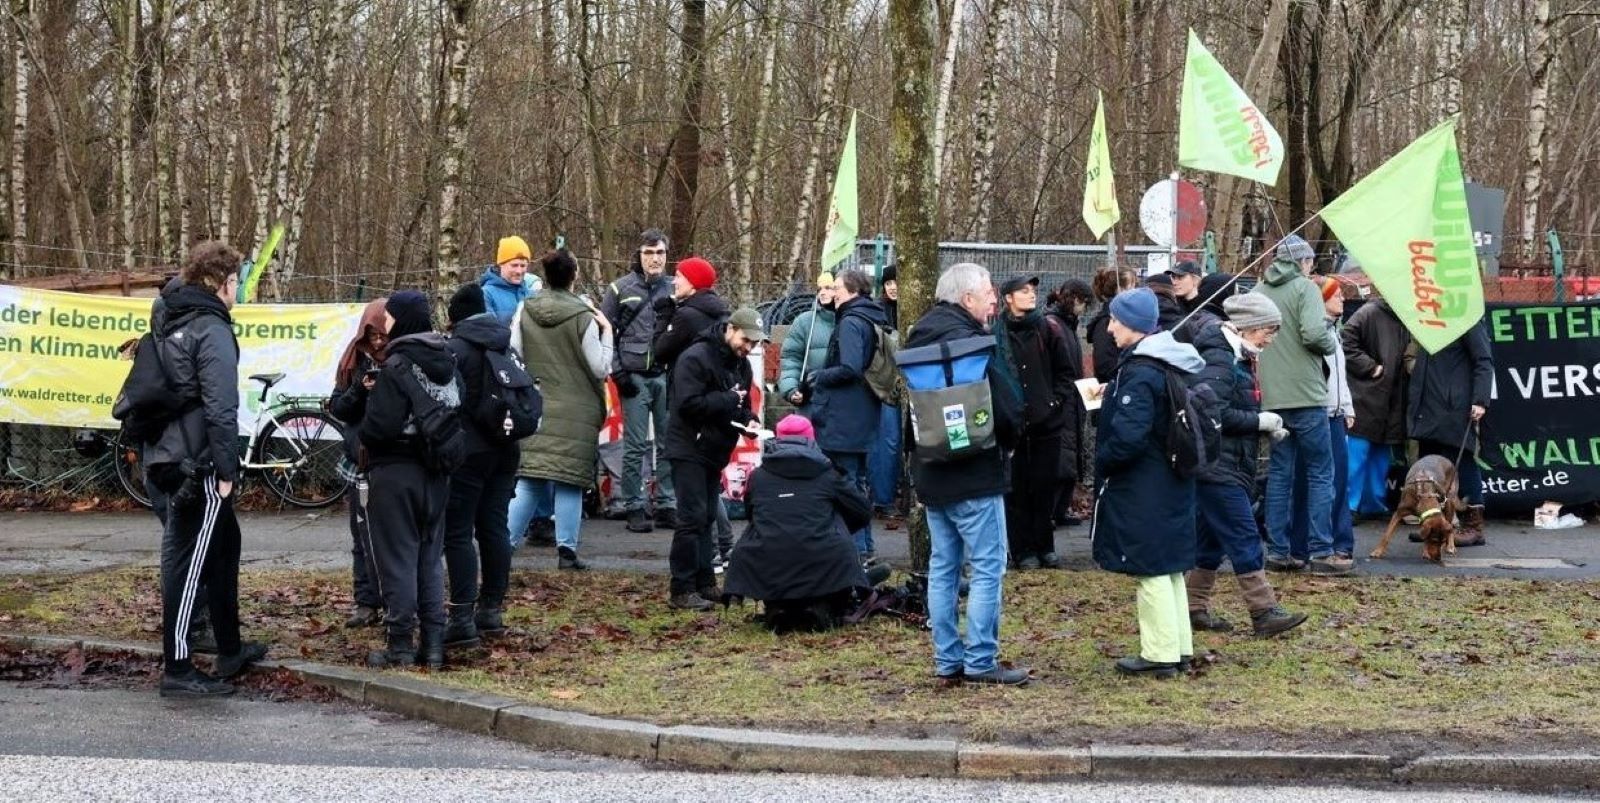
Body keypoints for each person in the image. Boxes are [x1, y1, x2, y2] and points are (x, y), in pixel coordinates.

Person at [147, 242, 266, 697]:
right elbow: (221, 406)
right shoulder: (210, 328)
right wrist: (226, 466)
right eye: (237, 281)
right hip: (196, 461)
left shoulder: (169, 315)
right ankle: (178, 668)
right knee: (188, 559)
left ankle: (231, 647)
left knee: (223, 544)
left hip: (169, 451)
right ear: (222, 283)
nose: (238, 290)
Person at [905, 262, 1028, 686]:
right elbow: (1009, 409)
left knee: (944, 568)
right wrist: (1009, 442)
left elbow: (912, 419)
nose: (994, 298)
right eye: (988, 291)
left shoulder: (918, 341)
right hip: (976, 473)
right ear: (966, 299)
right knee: (988, 567)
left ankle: (947, 660)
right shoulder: (973, 346)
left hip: (933, 471)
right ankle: (980, 660)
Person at [1090, 287, 1203, 680]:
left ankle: (1159, 653)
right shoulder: (1163, 365)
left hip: (1144, 485)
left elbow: (1128, 438)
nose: (1110, 329)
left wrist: (1102, 461)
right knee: (1170, 568)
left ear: (1135, 326)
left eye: (1116, 321)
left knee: (1150, 570)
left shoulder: (1139, 373)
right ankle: (1179, 647)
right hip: (1168, 481)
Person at [1186, 292, 1307, 637]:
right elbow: (1214, 413)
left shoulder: (1235, 357)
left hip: (1224, 463)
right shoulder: (1220, 360)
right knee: (1244, 535)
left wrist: (1265, 426)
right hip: (1216, 466)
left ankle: (1193, 607)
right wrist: (1259, 423)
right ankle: (1264, 610)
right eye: (1268, 331)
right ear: (1247, 327)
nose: (1271, 339)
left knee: (1210, 540)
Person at [359, 291, 461, 669]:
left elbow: (377, 428)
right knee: (430, 559)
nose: (384, 324)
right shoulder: (448, 360)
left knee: (398, 558)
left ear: (401, 320)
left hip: (396, 473)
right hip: (437, 472)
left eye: (389, 317)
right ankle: (433, 644)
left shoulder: (397, 364)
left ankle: (400, 643)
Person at [511, 249, 612, 570]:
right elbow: (599, 368)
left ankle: (503, 545)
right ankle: (567, 551)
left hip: (535, 405)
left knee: (529, 480)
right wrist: (608, 332)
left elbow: (514, 352)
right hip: (577, 410)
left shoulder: (524, 308)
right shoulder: (584, 315)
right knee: (570, 481)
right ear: (573, 277)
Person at [722, 414, 872, 630]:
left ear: (777, 440)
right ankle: (821, 606)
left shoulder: (758, 477)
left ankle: (778, 607)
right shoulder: (828, 474)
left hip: (767, 558)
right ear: (812, 439)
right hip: (825, 557)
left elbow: (752, 514)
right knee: (835, 531)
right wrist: (836, 526)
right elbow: (862, 511)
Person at [664, 307, 765, 611]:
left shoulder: (741, 365)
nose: (748, 348)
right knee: (691, 517)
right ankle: (681, 588)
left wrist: (749, 420)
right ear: (731, 329)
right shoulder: (695, 357)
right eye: (746, 340)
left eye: (754, 344)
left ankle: (704, 582)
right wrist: (729, 401)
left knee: (707, 515)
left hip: (713, 448)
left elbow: (742, 403)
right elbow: (687, 403)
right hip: (689, 445)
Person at [440, 284, 521, 648]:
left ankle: (460, 615)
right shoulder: (505, 344)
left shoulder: (455, 350)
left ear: (455, 317)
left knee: (457, 533)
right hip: (506, 449)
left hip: (468, 453)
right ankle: (491, 609)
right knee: (494, 528)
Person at [1256, 235, 1341, 575]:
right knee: (1321, 473)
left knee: (1279, 475)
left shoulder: (1259, 291)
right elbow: (1313, 335)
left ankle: (1278, 551)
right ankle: (1321, 551)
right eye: (1309, 262)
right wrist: (1330, 336)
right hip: (1306, 396)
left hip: (1273, 397)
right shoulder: (1305, 289)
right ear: (1302, 262)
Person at [804, 268, 889, 559]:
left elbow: (850, 368)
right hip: (862, 414)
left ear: (852, 291)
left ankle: (854, 551)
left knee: (847, 484)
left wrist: (820, 376)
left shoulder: (851, 322)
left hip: (845, 419)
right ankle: (864, 550)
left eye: (837, 286)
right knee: (859, 484)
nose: (833, 290)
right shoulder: (870, 317)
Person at [994, 275, 1075, 569]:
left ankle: (1045, 545)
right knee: (1016, 489)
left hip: (1046, 423)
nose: (1030, 295)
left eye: (1032, 291)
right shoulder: (996, 333)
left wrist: (1054, 405)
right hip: (1012, 425)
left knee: (1044, 487)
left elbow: (1066, 374)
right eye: (1023, 291)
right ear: (1008, 298)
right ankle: (1022, 549)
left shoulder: (1047, 329)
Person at [601, 230, 677, 534]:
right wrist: (618, 373)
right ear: (639, 255)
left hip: (665, 375)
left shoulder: (675, 287)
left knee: (668, 442)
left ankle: (667, 503)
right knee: (634, 445)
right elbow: (607, 335)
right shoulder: (619, 289)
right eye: (649, 253)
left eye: (659, 252)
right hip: (633, 376)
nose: (655, 258)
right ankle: (634, 503)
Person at [328, 297, 390, 630]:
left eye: (381, 336)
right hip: (358, 461)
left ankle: (392, 600)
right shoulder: (353, 362)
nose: (377, 343)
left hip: (389, 463)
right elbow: (338, 408)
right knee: (359, 537)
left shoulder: (400, 360)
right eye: (372, 337)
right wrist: (359, 391)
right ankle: (365, 602)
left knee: (390, 539)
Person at [1408, 319, 1494, 545]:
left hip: (1454, 407)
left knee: (1462, 461)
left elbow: (1483, 360)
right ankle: (1433, 524)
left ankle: (1473, 526)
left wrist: (1480, 400)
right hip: (1428, 407)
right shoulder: (1428, 321)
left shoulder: (1467, 319)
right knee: (1428, 465)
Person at [1289, 279, 1356, 563]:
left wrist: (1348, 406)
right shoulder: (1315, 333)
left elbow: (1339, 375)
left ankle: (1337, 541)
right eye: (1336, 295)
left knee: (1336, 481)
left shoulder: (1334, 332)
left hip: (1335, 413)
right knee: (1316, 481)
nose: (1342, 300)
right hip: (1319, 413)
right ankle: (1317, 543)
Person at [1341, 272, 1411, 519]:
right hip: (1368, 394)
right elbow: (1346, 341)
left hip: (1390, 396)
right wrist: (1370, 367)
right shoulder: (1369, 313)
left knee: (1380, 455)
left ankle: (1372, 504)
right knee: (1358, 455)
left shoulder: (1404, 315)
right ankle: (1350, 506)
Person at [1045, 278, 1092, 527]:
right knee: (1061, 461)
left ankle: (1059, 509)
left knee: (1069, 460)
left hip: (1071, 399)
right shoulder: (1054, 326)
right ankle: (1052, 511)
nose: (1083, 309)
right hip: (1062, 401)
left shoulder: (1066, 326)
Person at [653, 255, 730, 374]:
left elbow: (659, 352)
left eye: (678, 277)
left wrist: (664, 315)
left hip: (685, 383)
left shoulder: (686, 316)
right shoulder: (721, 312)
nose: (674, 282)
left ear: (692, 281)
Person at [779, 273, 836, 410]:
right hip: (811, 399)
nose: (822, 293)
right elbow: (791, 359)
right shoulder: (805, 322)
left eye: (828, 288)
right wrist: (791, 389)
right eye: (819, 289)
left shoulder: (849, 321)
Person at [1086, 268, 1139, 383]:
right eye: (1131, 287)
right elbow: (1104, 366)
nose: (1135, 291)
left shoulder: (1127, 317)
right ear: (1118, 289)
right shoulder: (1105, 322)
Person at [481, 236, 542, 327]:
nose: (519, 271)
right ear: (501, 264)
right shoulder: (486, 294)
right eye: (514, 265)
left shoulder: (531, 295)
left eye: (523, 266)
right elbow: (489, 333)